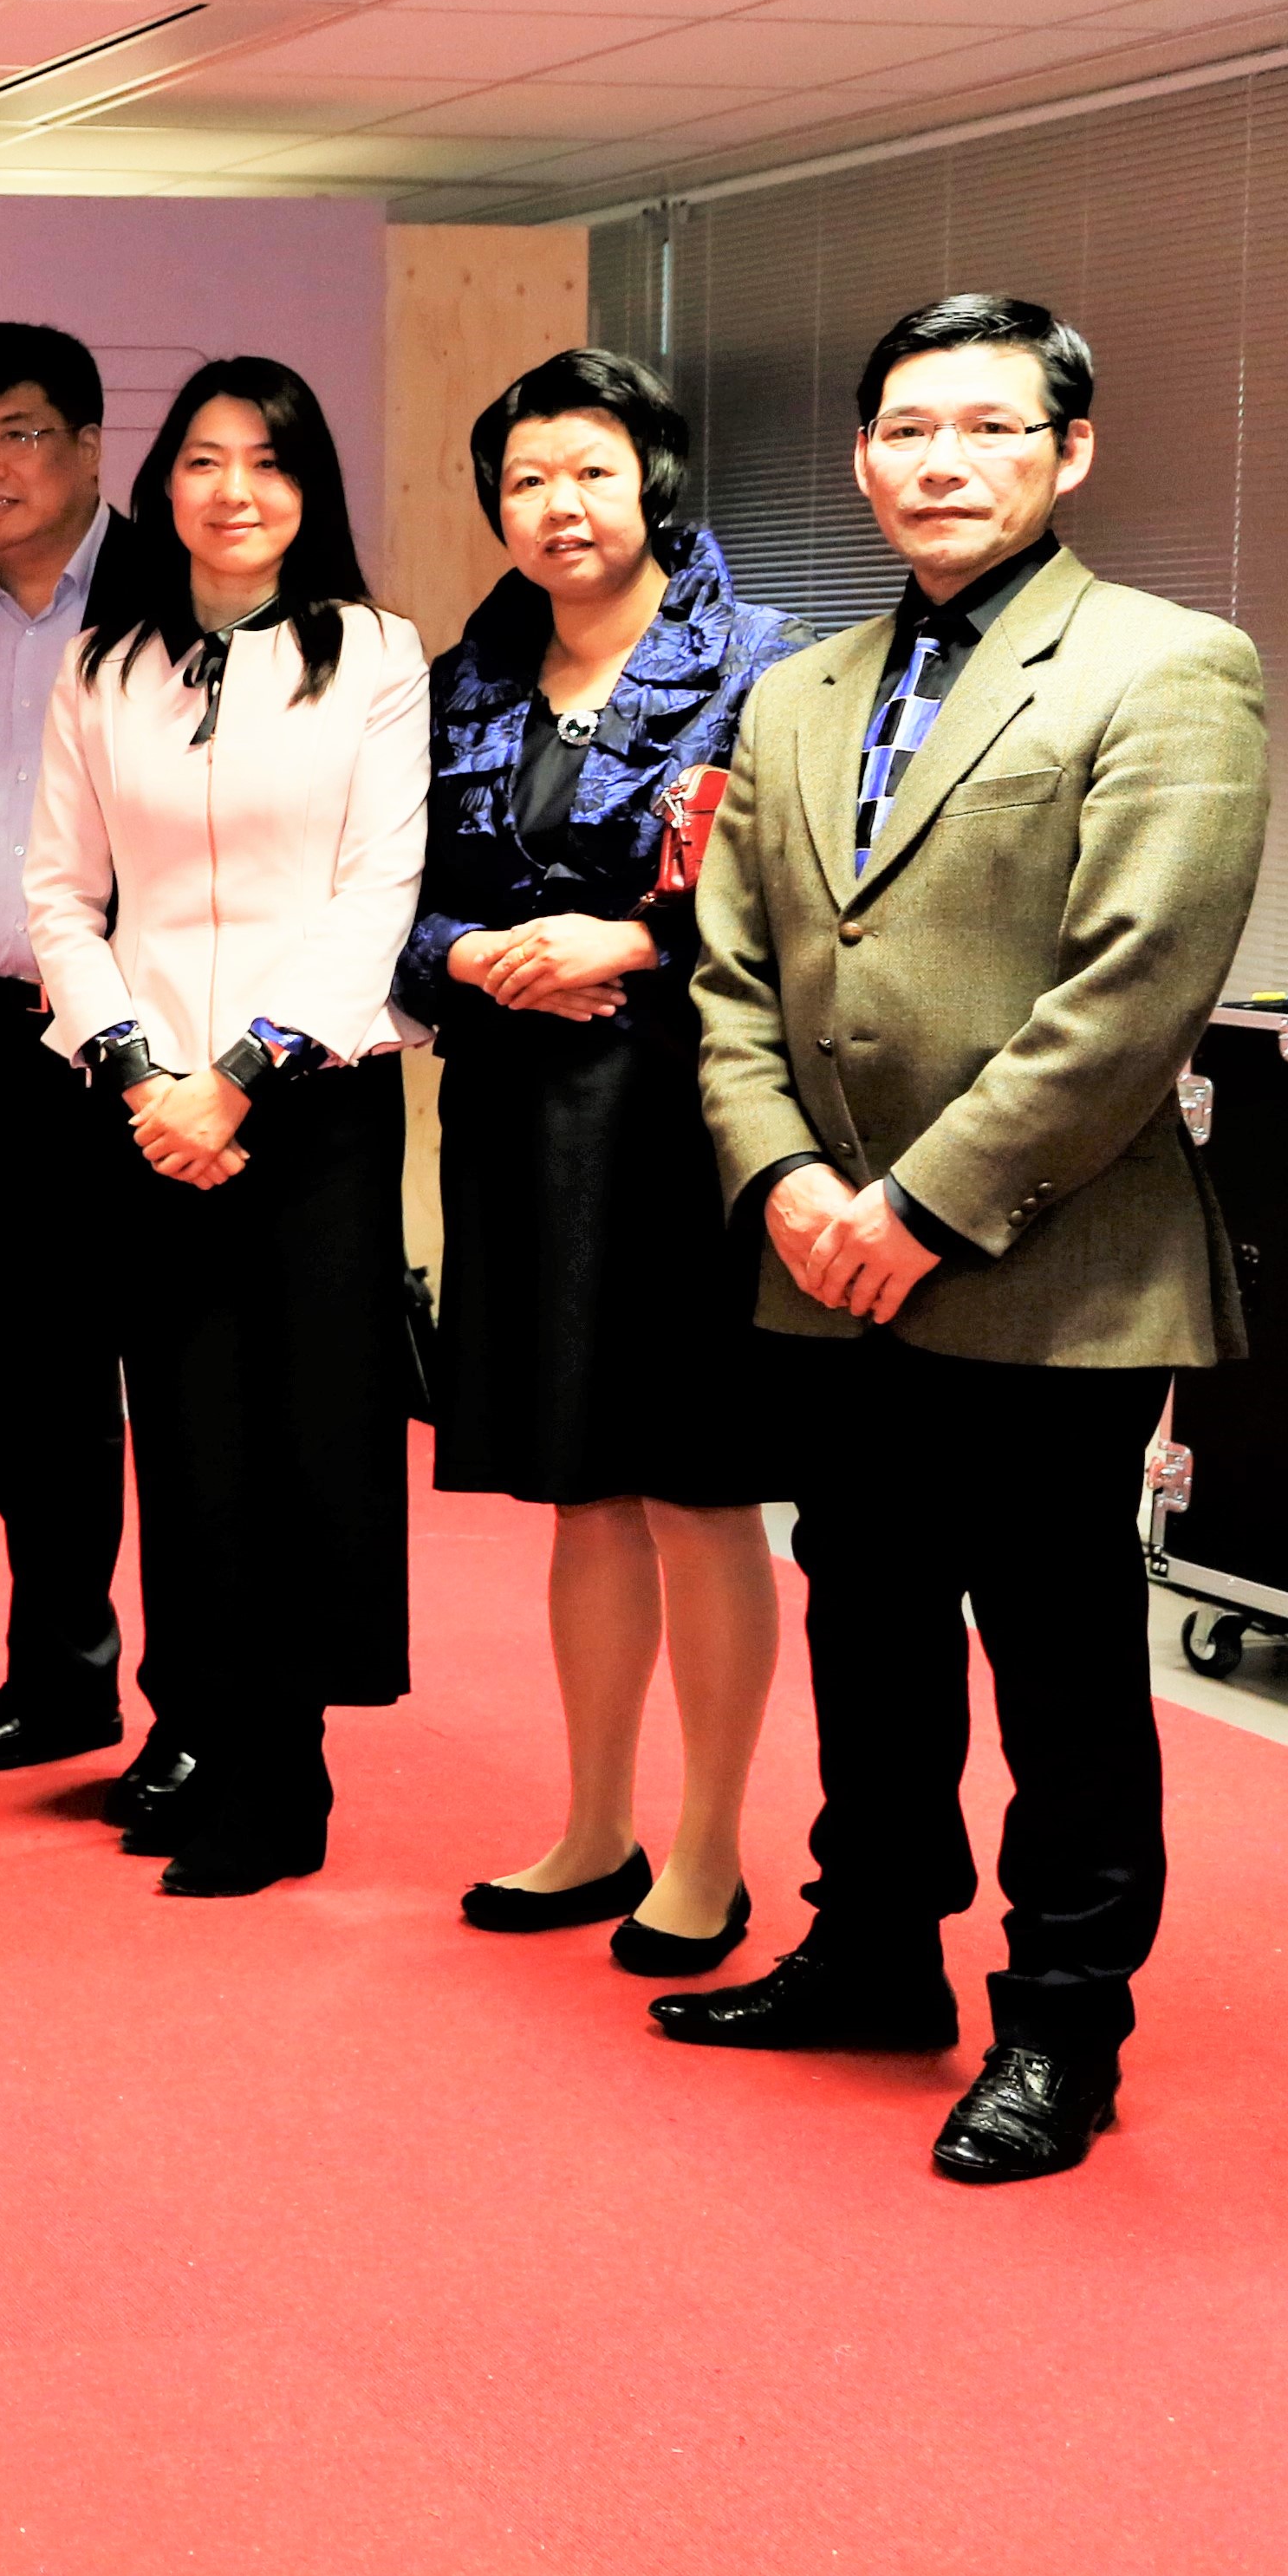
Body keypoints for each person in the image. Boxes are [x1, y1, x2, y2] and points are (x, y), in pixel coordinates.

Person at [664, 293, 1271, 2187]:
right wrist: (784, 1182)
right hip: (824, 1266)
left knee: (1064, 1663)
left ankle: (1063, 2025)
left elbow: (1134, 992)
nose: (944, 462)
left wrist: (919, 1207)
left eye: (993, 428)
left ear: (1070, 452)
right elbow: (735, 976)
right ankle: (870, 1952)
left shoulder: (1170, 668)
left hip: (1048, 1266)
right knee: (867, 1624)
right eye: (910, 429)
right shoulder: (796, 691)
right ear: (864, 456)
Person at [399, 351, 804, 1975]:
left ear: (655, 481)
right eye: (525, 480)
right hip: (520, 1119)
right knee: (578, 1492)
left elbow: (804, 901)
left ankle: (708, 1850)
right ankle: (593, 1825)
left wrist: (630, 942)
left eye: (590, 471)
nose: (557, 506)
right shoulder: (462, 680)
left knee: (697, 1490)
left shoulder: (767, 666)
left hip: (690, 1118)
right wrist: (471, 956)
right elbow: (396, 901)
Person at [21, 356, 427, 1897]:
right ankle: (205, 1736)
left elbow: (376, 893)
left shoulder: (375, 655)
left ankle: (287, 1773)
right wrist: (140, 1070)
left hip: (309, 1106)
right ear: (163, 482)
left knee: (307, 1438)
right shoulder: (106, 665)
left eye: (268, 461)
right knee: (188, 1443)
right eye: (204, 459)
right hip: (146, 1116)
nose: (234, 490)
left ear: (309, 489)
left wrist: (242, 1073)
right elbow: (61, 895)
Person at [0, 324, 173, 1816]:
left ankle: (197, 1707)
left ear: (86, 447)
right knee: (43, 1398)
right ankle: (60, 1676)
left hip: (171, 1065)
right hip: (13, 1061)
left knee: (184, 1395)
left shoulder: (180, 602)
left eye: (15, 435)